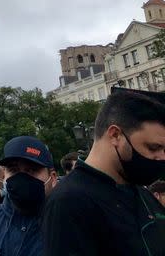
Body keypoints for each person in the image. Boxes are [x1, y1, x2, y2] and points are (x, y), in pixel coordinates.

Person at [43, 87, 165, 255]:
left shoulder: (141, 193)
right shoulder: (70, 202)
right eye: (153, 147)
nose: (161, 157)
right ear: (115, 135)